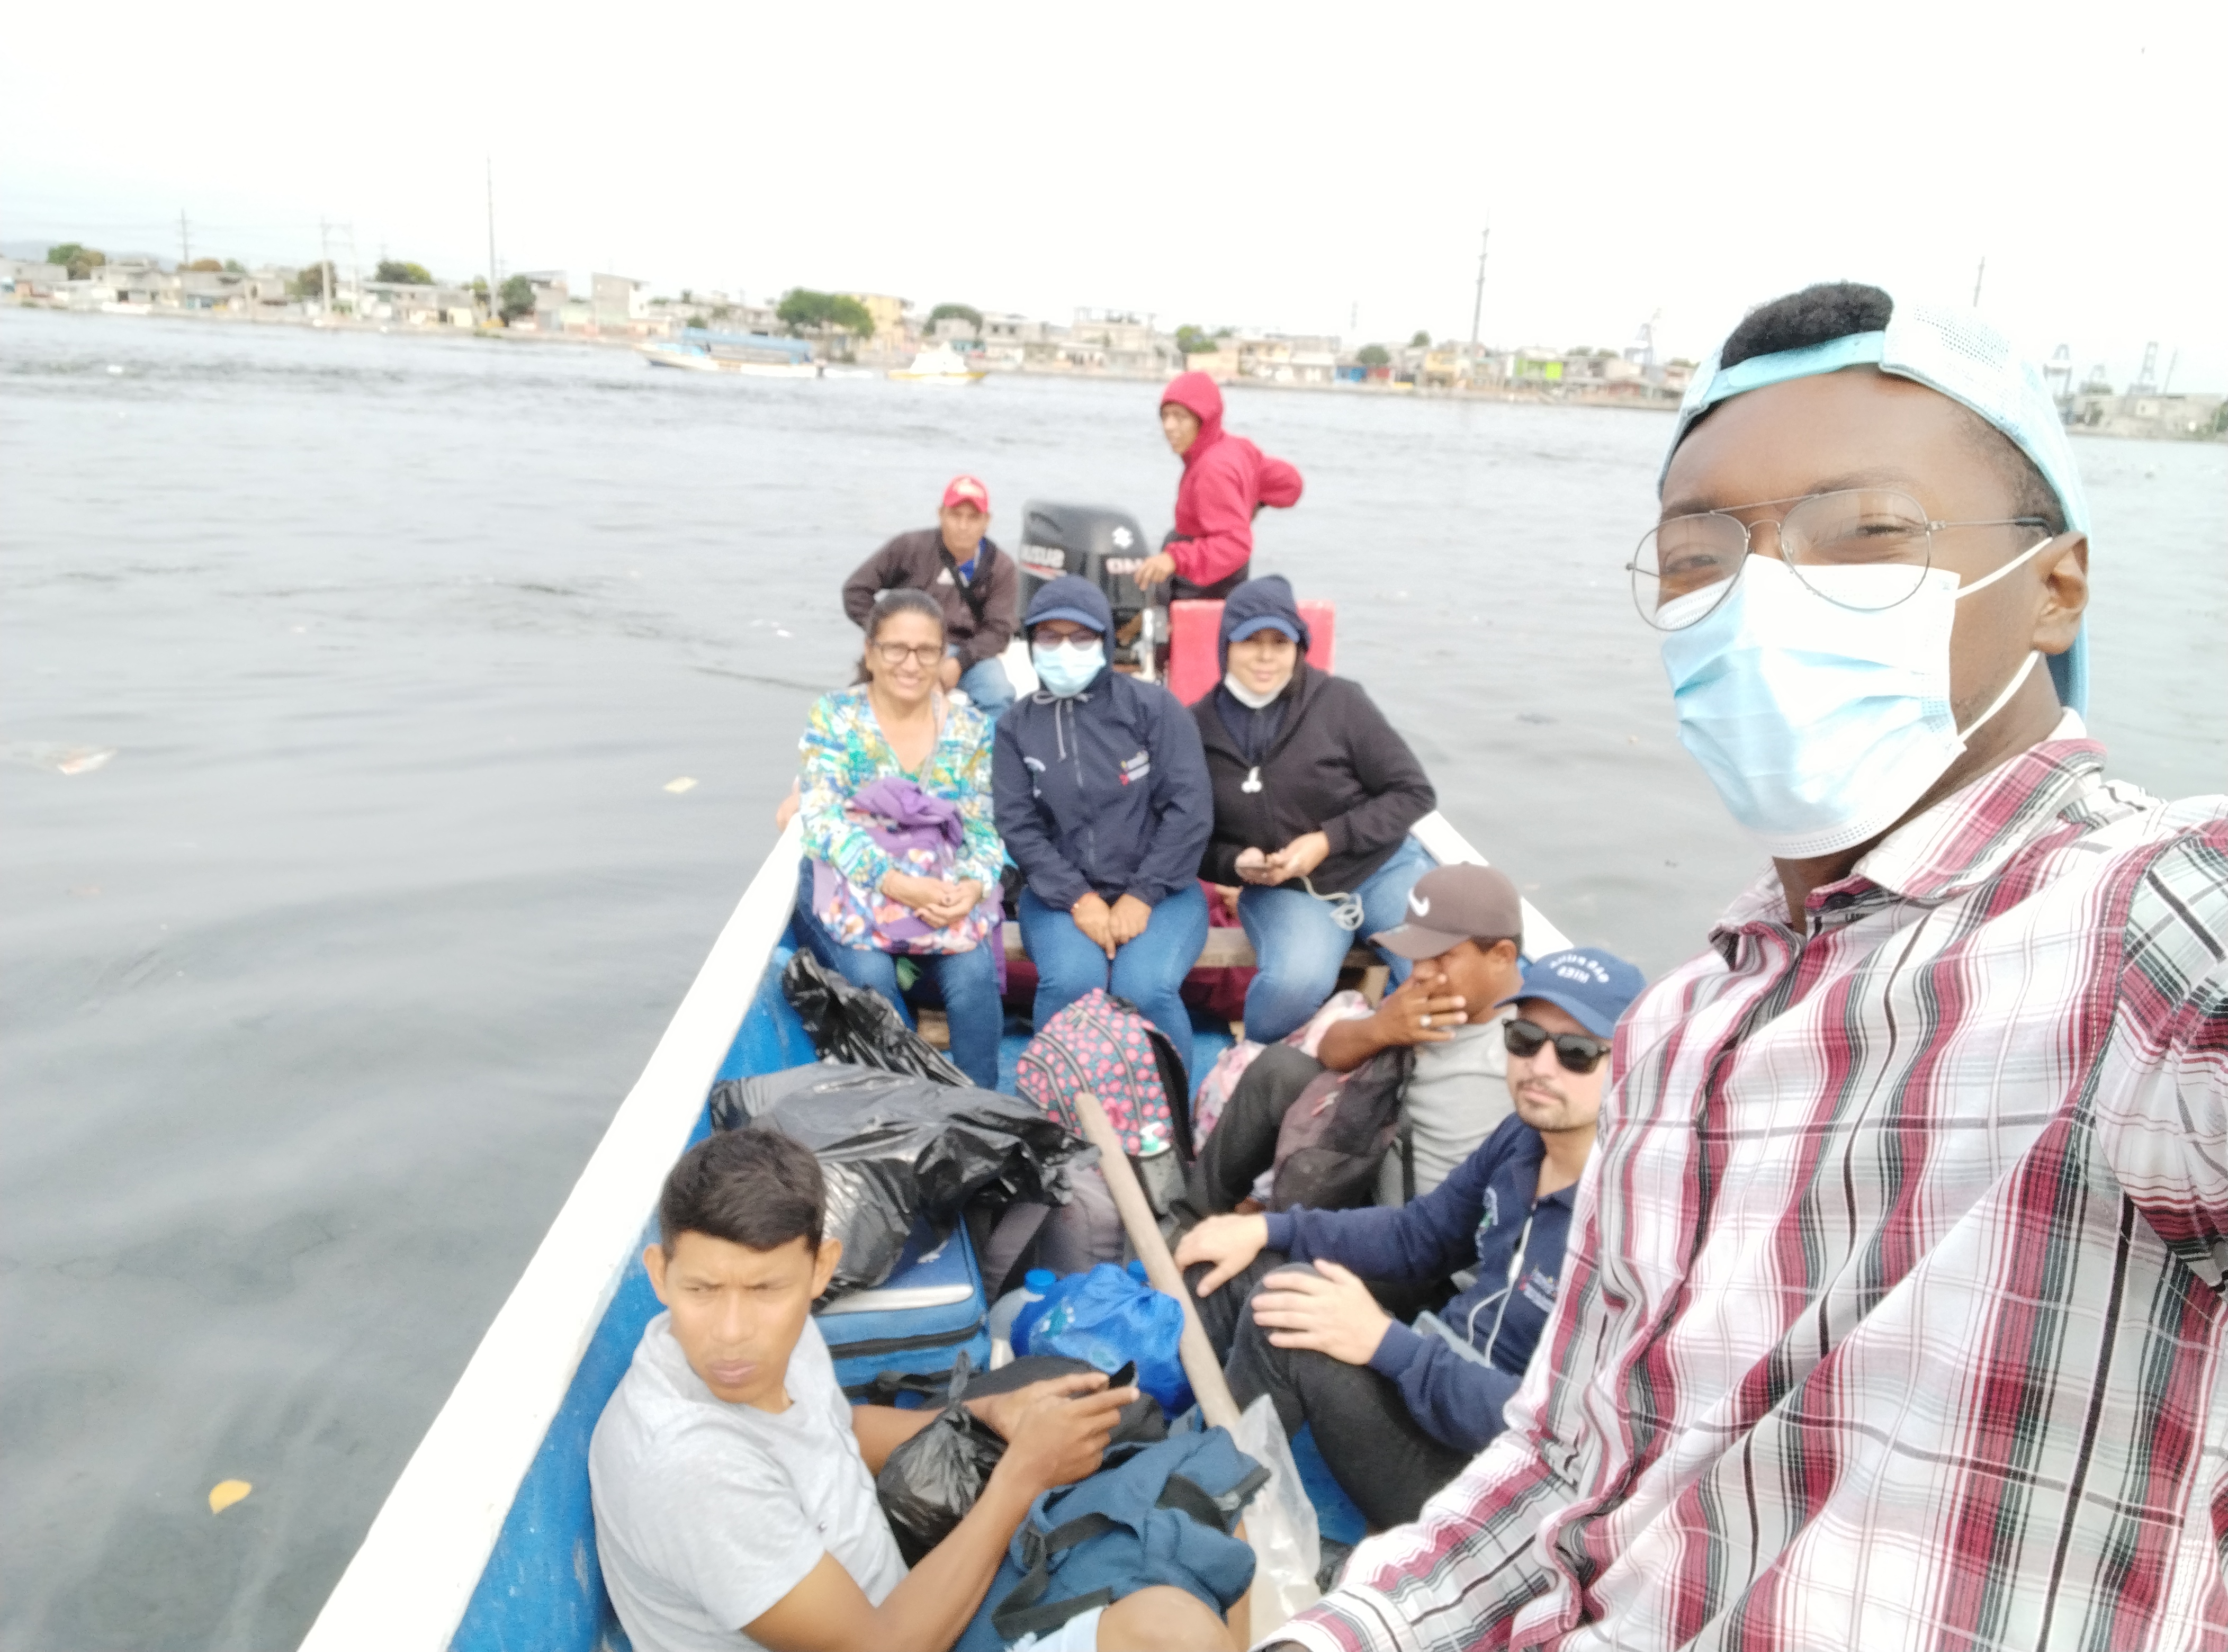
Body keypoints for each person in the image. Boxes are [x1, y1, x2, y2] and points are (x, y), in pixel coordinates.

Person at [1274, 285, 2228, 1652]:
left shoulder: (2141, 936)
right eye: (1697, 556)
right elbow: (1566, 1464)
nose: (1759, 600)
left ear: (2053, 590)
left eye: (1868, 535)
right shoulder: (1683, 1024)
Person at [590, 1128, 1234, 1652]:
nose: (731, 1334)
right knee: (1172, 1631)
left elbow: (836, 1429)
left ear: (819, 1270)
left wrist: (987, 1413)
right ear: (660, 1273)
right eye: (701, 1291)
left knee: (1100, 1417)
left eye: (765, 1290)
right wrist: (1022, 1474)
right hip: (892, 1635)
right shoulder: (693, 1470)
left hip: (893, 1589)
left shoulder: (769, 1347)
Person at [1173, 947, 1642, 1531]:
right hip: (1433, 1379)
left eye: (1576, 1053)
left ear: (1631, 1067)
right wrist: (1270, 1226)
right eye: (1524, 1039)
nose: (1540, 1067)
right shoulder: (1523, 1141)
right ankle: (1149, 1423)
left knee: (1285, 1306)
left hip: (1497, 1483)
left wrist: (1386, 1345)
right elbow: (1421, 1235)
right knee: (1237, 1266)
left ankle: (1192, 1523)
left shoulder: (1630, 1232)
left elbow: (1561, 1430)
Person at [1179, 862, 1530, 1219]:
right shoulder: (1424, 999)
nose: (1422, 971)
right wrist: (1382, 1027)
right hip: (1366, 1181)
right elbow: (1330, 1049)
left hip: (1420, 1230)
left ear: (1502, 956)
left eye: (1442, 958)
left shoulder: (1529, 1052)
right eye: (1417, 955)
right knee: (1279, 1069)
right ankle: (1194, 1215)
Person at [1190, 576, 1438, 1044]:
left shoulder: (1341, 702)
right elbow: (1190, 837)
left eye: (1280, 643)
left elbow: (1413, 792)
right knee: (1294, 984)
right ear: (1226, 646)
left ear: (1299, 647)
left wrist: (1329, 840)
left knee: (1436, 969)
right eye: (1251, 641)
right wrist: (1235, 863)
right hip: (1286, 892)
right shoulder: (1194, 728)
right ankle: (1258, 1064)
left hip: (1381, 868)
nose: (1266, 656)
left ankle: (1405, 1066)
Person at [993, 575, 1214, 1078]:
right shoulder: (1015, 726)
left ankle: (1173, 1109)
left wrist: (1143, 894)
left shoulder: (1155, 709)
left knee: (1145, 988)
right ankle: (1060, 1108)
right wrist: (1078, 898)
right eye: (1050, 637)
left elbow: (1190, 810)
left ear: (1106, 641)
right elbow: (1018, 825)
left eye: (1081, 637)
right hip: (1060, 898)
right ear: (1031, 643)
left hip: (1165, 893)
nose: (1064, 650)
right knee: (1071, 984)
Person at [795, 589, 1004, 1089]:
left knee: (974, 976)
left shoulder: (970, 730)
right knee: (873, 978)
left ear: (943, 657)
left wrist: (972, 886)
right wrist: (895, 884)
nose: (911, 664)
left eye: (926, 651)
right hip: (851, 883)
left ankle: (984, 1108)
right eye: (895, 649)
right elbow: (822, 820)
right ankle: (907, 1103)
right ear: (870, 653)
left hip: (938, 885)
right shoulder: (835, 717)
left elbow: (985, 829)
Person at [842, 474, 1019, 719]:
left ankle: (986, 744)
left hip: (969, 652)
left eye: (973, 517)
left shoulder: (1001, 567)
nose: (963, 525)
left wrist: (959, 663)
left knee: (999, 696)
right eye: (956, 515)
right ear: (941, 514)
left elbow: (999, 629)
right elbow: (856, 591)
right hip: (909, 643)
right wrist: (888, 632)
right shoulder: (909, 547)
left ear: (986, 521)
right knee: (862, 699)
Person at [1131, 373, 1302, 600]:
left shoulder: (1212, 469)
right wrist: (1251, 502)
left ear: (1204, 419)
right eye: (1165, 416)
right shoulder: (1235, 449)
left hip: (1203, 589)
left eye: (1180, 417)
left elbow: (1235, 544)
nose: (1169, 426)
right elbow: (1290, 483)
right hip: (1227, 580)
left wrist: (1174, 559)